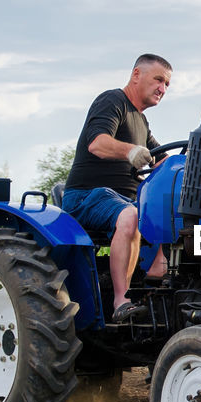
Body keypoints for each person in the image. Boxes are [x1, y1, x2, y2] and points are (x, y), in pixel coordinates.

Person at [62, 54, 172, 322]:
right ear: (137, 75)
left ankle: (159, 274)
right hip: (88, 196)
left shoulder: (141, 121)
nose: (162, 88)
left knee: (175, 212)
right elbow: (97, 143)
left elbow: (159, 158)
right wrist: (130, 150)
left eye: (167, 84)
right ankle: (121, 300)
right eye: (158, 79)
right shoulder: (113, 101)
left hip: (124, 201)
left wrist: (186, 163)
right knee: (132, 216)